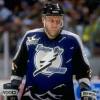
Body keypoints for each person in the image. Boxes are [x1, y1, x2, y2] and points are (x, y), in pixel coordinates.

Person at [3, 2, 96, 100]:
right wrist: (14, 85)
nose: (55, 24)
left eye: (58, 20)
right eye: (51, 20)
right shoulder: (30, 36)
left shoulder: (73, 40)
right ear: (43, 20)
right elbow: (18, 66)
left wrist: (85, 88)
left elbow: (83, 70)